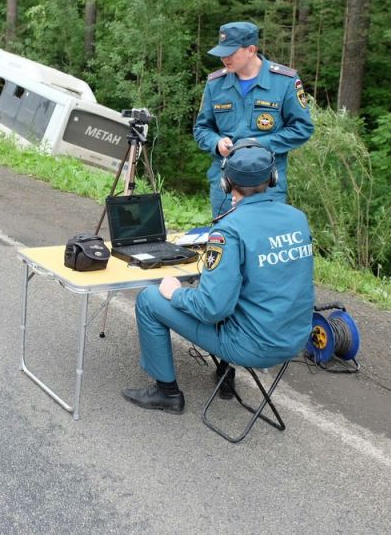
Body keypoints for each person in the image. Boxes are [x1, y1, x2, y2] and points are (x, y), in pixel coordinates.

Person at [121, 140, 315, 414]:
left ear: (226, 183)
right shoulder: (298, 218)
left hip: (253, 346)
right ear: (273, 178)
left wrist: (175, 292)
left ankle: (166, 393)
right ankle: (223, 376)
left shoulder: (228, 231)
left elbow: (212, 308)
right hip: (295, 338)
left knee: (150, 299)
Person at [193, 21, 313, 218]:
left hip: (266, 184)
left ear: (251, 50)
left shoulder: (284, 81)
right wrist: (216, 143)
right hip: (226, 183)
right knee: (226, 239)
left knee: (265, 240)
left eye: (231, 53)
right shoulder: (215, 83)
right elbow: (202, 129)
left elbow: (302, 128)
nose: (224, 58)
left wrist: (259, 144)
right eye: (222, 53)